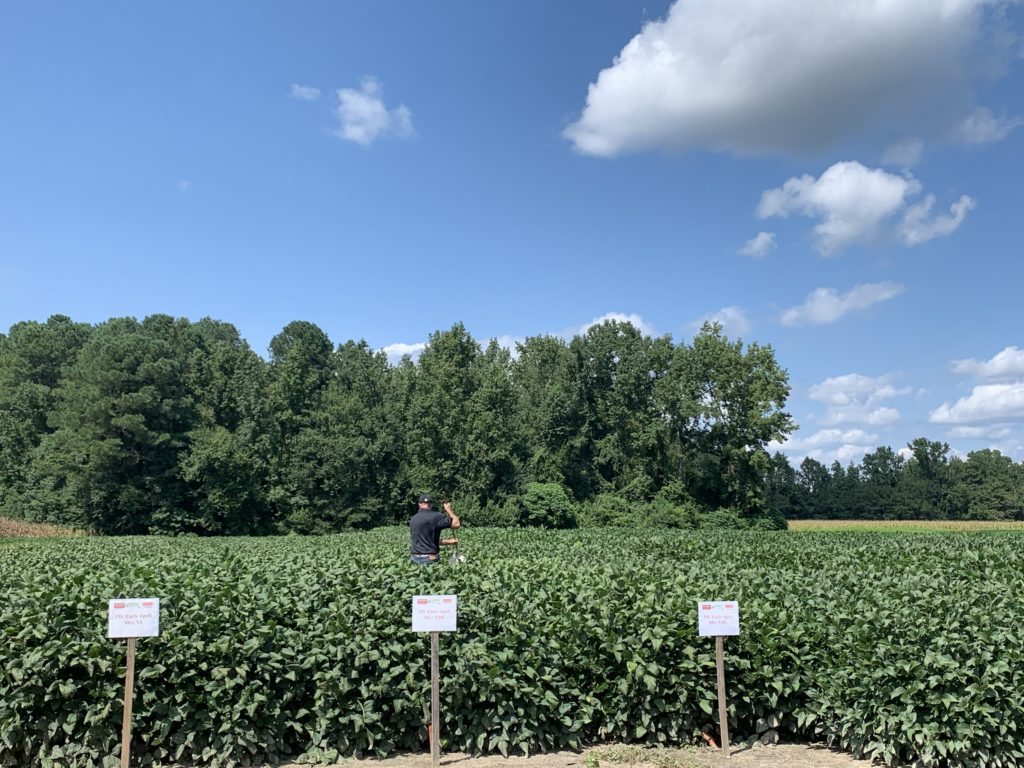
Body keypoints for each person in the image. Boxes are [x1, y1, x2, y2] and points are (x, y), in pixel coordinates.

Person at [410, 494, 459, 564]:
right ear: (431, 505)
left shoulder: (413, 519)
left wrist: (449, 541)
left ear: (419, 504)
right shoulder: (436, 516)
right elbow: (456, 524)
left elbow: (428, 540)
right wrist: (449, 510)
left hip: (414, 558)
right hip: (429, 559)